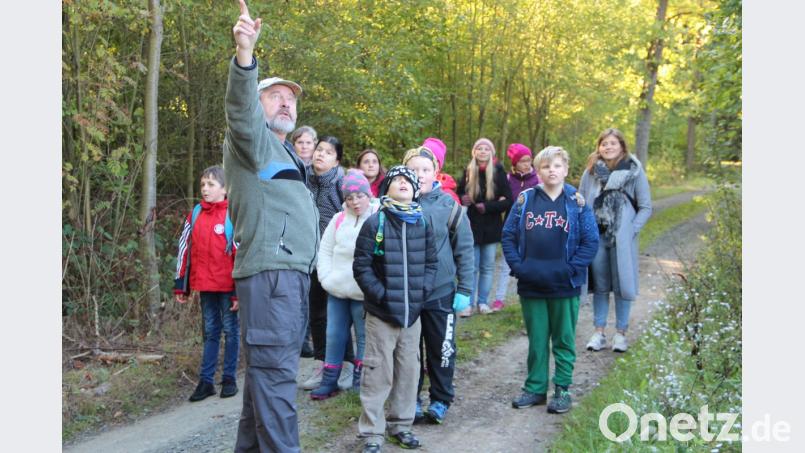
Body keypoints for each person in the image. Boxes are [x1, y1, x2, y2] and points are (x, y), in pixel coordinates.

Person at [225, 3, 319, 451]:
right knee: (277, 380)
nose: (286, 102)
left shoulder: (287, 157)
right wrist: (246, 56)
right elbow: (241, 112)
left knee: (263, 385)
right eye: (275, 95)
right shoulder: (252, 142)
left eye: (291, 98)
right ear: (258, 104)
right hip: (273, 277)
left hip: (286, 278)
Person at [501, 146, 599, 414]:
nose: (551, 170)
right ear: (538, 171)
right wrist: (518, 267)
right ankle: (535, 388)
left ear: (566, 169)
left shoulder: (577, 203)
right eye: (545, 166)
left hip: (564, 284)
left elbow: (590, 241)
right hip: (531, 283)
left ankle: (563, 389)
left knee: (563, 339)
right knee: (537, 339)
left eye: (557, 166)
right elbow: (508, 235)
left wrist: (570, 269)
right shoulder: (525, 200)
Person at [353, 165, 438, 453]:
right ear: (385, 188)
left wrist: (421, 293)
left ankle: (401, 425)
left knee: (409, 370)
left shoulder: (423, 223)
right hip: (381, 314)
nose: (403, 184)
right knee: (378, 371)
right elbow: (361, 267)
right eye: (397, 180)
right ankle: (372, 433)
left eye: (408, 181)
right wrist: (382, 296)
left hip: (412, 315)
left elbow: (431, 264)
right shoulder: (375, 223)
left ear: (416, 191)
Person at [403, 146, 473, 425]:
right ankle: (412, 399)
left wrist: (465, 289)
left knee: (441, 349)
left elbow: (464, 250)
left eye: (425, 169)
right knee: (409, 353)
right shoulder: (395, 203)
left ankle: (441, 399)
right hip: (406, 293)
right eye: (414, 169)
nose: (419, 175)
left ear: (436, 173)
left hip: (441, 292)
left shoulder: (449, 207)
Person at [579, 128, 652, 353]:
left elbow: (646, 207)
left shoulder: (634, 170)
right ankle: (599, 332)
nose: (608, 147)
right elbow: (580, 203)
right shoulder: (591, 172)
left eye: (613, 143)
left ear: (621, 146)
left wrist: (632, 230)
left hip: (623, 238)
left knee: (622, 285)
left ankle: (620, 334)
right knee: (600, 285)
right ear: (599, 147)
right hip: (596, 236)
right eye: (604, 144)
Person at [310, 169, 380, 400]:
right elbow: (325, 250)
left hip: (363, 293)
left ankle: (361, 380)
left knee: (363, 336)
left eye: (359, 196)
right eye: (349, 198)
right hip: (337, 290)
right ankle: (330, 380)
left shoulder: (378, 217)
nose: (355, 202)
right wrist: (326, 278)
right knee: (334, 334)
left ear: (367, 194)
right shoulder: (338, 220)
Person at [174, 166, 240, 402]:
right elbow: (184, 248)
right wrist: (181, 283)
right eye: (203, 184)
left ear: (225, 188)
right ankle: (206, 381)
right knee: (211, 332)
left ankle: (229, 378)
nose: (205, 189)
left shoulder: (233, 214)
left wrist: (238, 292)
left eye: (211, 184)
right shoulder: (196, 214)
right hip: (205, 285)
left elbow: (239, 254)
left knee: (231, 331)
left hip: (228, 287)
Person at [302, 135, 357, 391]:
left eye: (327, 152)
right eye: (318, 149)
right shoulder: (305, 180)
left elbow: (352, 216)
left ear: (337, 159)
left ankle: (346, 364)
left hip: (338, 259)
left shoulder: (341, 183)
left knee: (338, 314)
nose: (320, 154)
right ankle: (322, 362)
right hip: (311, 257)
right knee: (317, 313)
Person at [456, 138, 513, 317]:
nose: (482, 151)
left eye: (486, 149)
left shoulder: (498, 171)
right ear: (474, 152)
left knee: (487, 267)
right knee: (471, 267)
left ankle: (482, 302)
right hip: (471, 226)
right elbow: (458, 193)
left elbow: (508, 199)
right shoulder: (467, 171)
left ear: (491, 152)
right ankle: (468, 304)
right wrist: (462, 198)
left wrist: (487, 207)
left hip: (491, 226)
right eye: (479, 148)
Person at [491, 143, 541, 312]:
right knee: (506, 264)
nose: (527, 164)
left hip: (532, 229)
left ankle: (529, 298)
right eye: (523, 161)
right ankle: (499, 299)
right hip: (511, 227)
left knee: (530, 264)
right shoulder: (507, 179)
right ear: (515, 163)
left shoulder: (537, 180)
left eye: (529, 160)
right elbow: (502, 199)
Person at [421, 137, 460, 203]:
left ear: (438, 166)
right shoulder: (410, 187)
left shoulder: (448, 196)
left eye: (430, 159)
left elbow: (457, 212)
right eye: (422, 157)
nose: (425, 162)